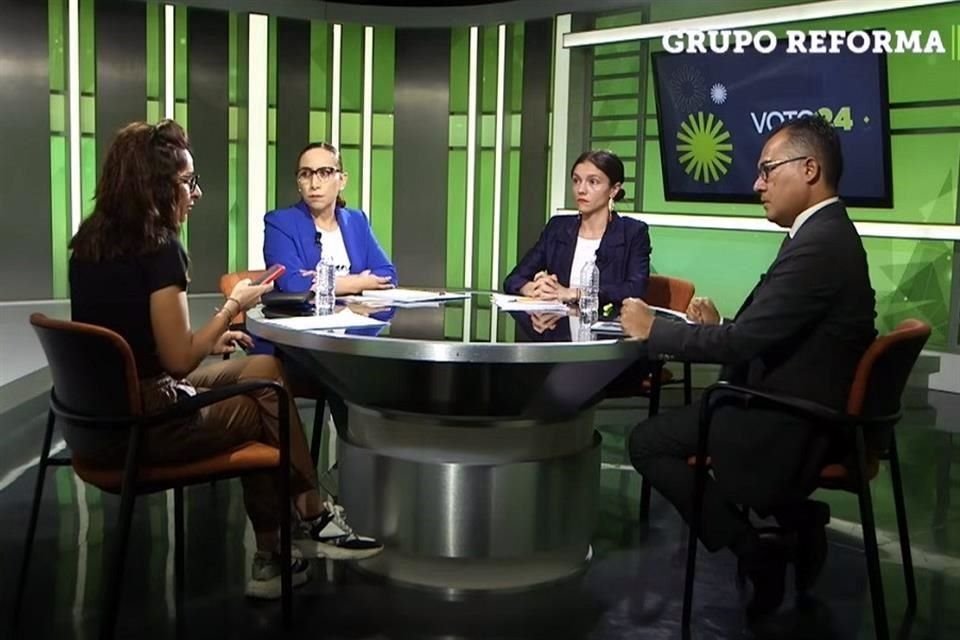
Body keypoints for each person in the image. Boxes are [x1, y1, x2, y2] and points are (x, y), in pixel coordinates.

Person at [67, 120, 383, 602]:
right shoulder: (160, 248)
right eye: (187, 181)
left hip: (96, 419)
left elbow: (142, 340)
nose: (196, 193)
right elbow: (177, 361)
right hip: (146, 423)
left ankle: (293, 534)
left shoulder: (89, 242)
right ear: (156, 184)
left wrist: (209, 337)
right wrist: (233, 306)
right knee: (267, 404)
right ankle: (298, 529)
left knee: (263, 369)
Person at [621, 115, 876, 619]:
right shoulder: (822, 233)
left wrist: (656, 332)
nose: (757, 184)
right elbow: (768, 328)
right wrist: (721, 324)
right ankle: (796, 520)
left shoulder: (821, 245)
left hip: (786, 416)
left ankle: (754, 550)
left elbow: (742, 345)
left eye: (766, 170)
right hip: (791, 397)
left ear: (808, 169)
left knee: (646, 442)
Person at [502, 149, 651, 306]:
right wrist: (533, 288)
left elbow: (635, 289)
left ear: (614, 189)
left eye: (593, 182)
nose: (581, 190)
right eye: (576, 180)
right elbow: (514, 279)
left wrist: (576, 293)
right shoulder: (557, 228)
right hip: (559, 326)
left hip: (606, 325)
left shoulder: (633, 233)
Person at [263, 142, 397, 295]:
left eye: (325, 173)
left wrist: (321, 282)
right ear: (298, 183)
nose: (314, 184)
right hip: (307, 317)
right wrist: (359, 282)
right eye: (305, 174)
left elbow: (388, 275)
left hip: (359, 315)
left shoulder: (357, 221)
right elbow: (292, 283)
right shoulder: (280, 223)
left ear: (342, 180)